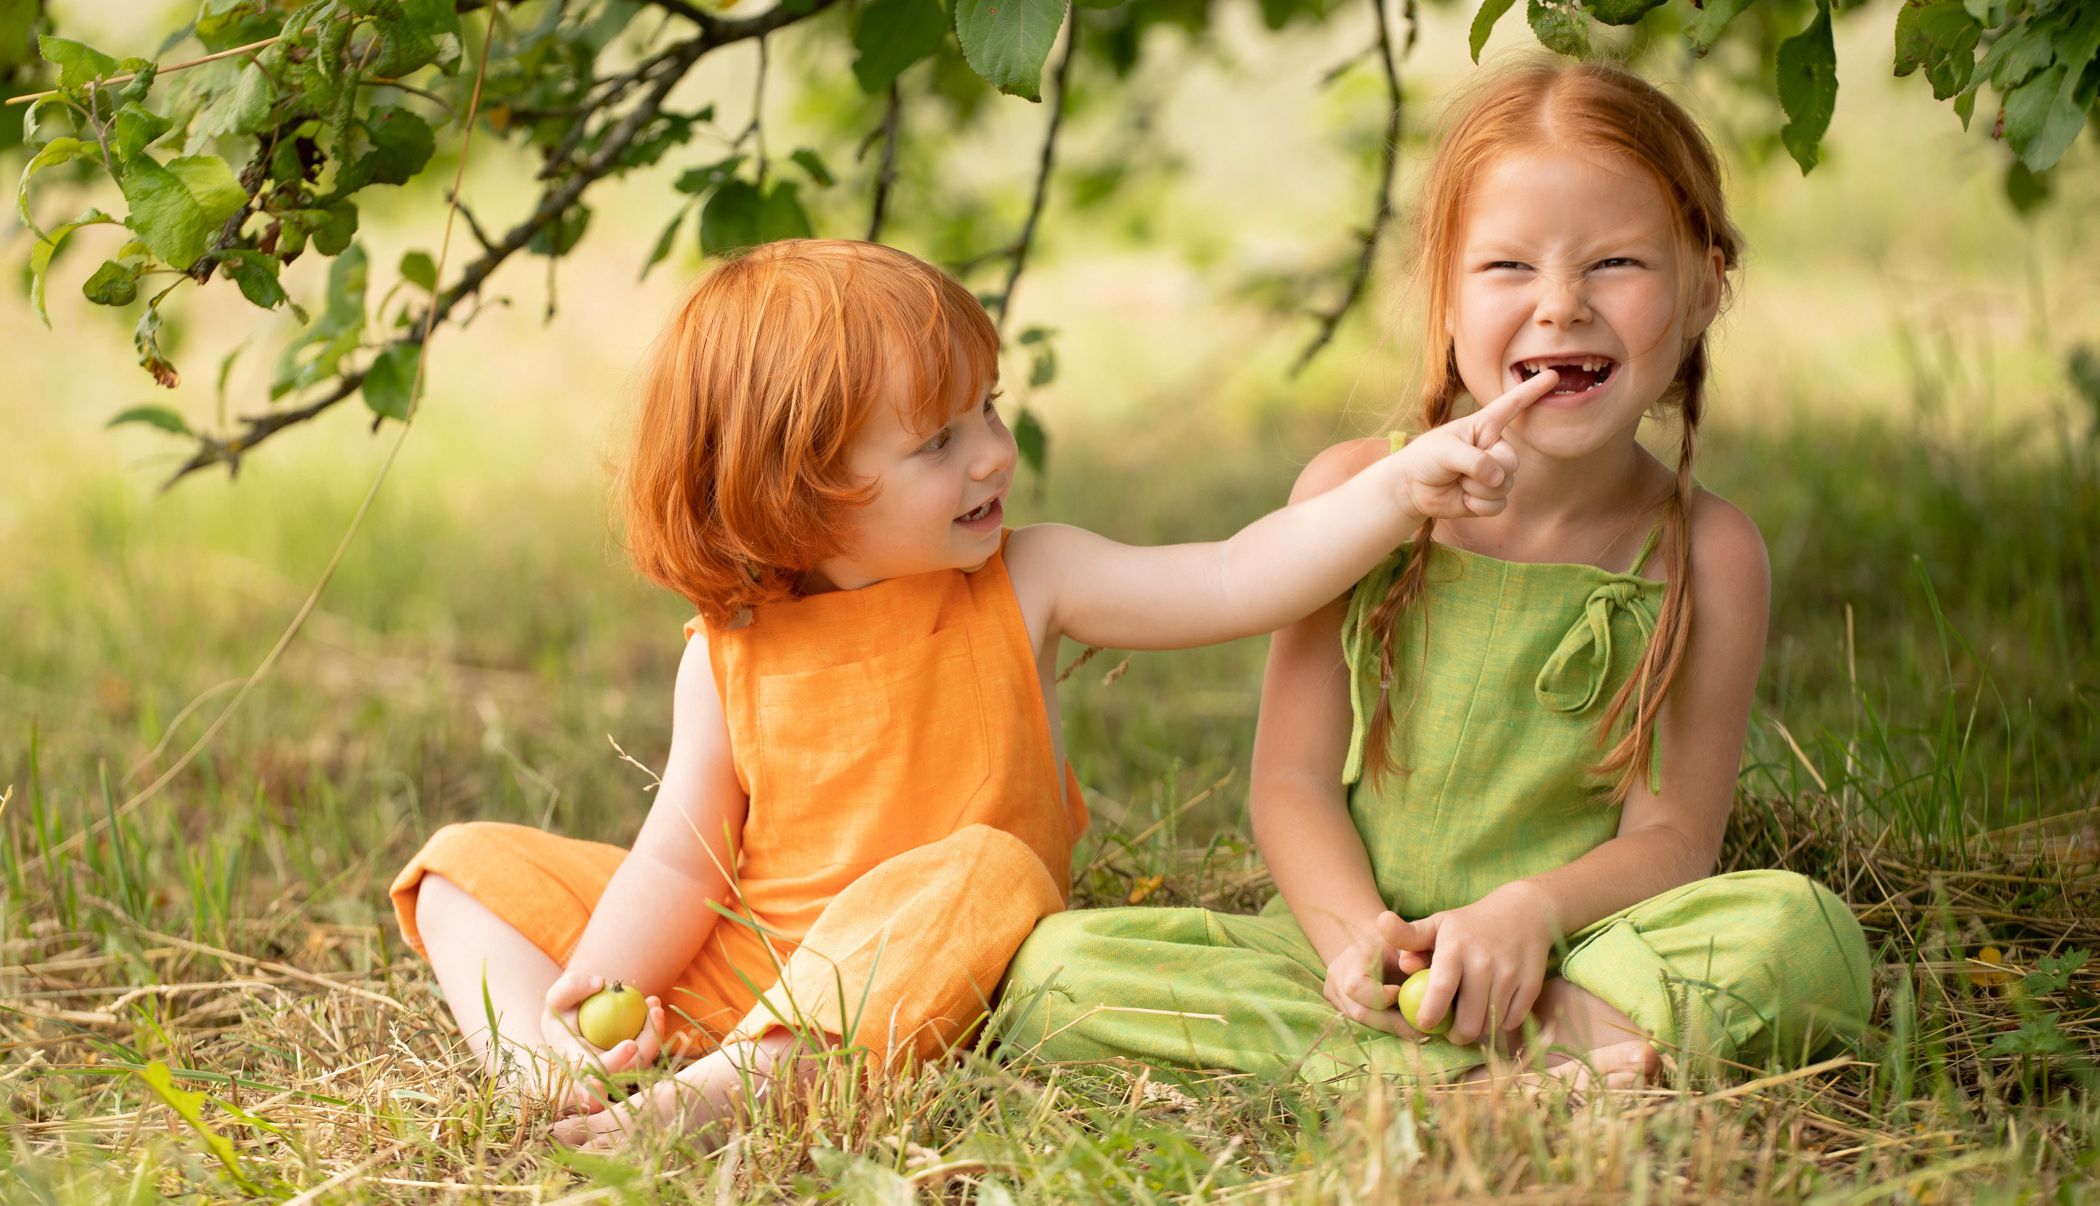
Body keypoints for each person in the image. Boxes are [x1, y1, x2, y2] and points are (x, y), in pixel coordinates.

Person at [389, 237, 1566, 1145]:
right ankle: (551, 1065)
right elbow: (679, 864)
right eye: (938, 441)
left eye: (988, 409)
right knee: (461, 867)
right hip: (749, 968)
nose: (994, 452)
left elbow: (1235, 576)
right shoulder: (731, 649)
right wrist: (607, 980)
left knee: (986, 861)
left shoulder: (1028, 578)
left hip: (930, 964)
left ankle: (736, 1088)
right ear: (797, 490)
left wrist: (1401, 488)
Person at [1000, 60, 1873, 1089]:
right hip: (1346, 952)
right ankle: (1520, 1066)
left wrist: (1528, 914)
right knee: (1055, 971)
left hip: (1574, 952)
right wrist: (1358, 946)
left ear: (1702, 288)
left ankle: (1478, 1050)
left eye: (1616, 263)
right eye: (1507, 266)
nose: (1561, 306)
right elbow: (1289, 783)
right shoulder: (1352, 497)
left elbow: (1675, 838)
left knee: (1807, 932)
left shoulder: (1707, 553)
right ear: (1445, 296)